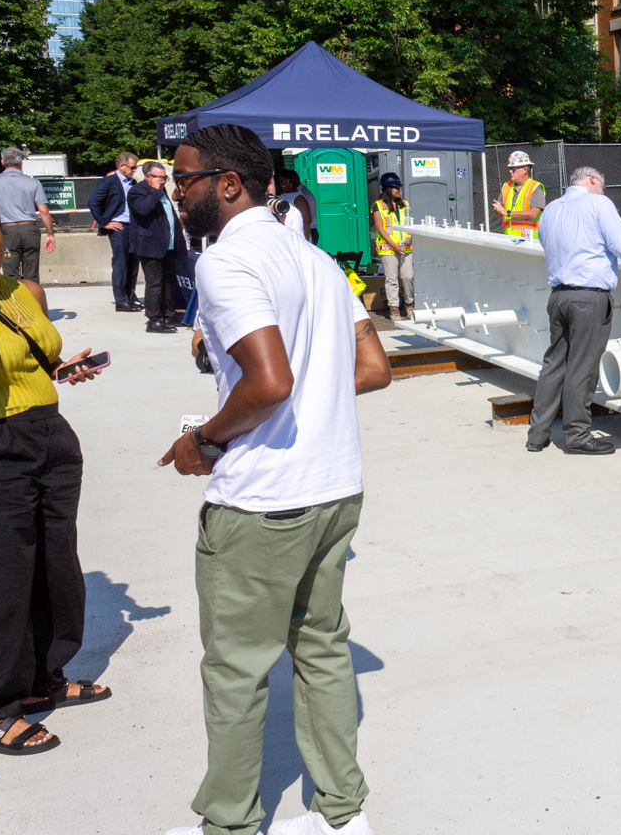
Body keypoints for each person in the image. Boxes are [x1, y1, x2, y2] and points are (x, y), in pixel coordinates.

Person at [158, 123, 391, 835]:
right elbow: (373, 368)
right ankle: (341, 807)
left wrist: (203, 439)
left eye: (185, 178)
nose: (176, 190)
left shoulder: (227, 263)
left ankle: (228, 822)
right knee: (320, 646)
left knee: (237, 669)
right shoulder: (314, 259)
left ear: (228, 183)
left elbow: (267, 382)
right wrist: (312, 395)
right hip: (334, 486)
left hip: (263, 500)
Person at [0, 191, 107, 758]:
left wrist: (63, 368)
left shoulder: (24, 290)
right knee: (3, 575)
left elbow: (33, 359)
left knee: (55, 563)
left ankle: (42, 679)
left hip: (49, 433)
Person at [527, 166, 621, 456]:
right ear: (592, 180)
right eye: (603, 185)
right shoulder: (598, 203)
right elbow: (619, 243)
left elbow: (546, 243)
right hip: (589, 298)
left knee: (554, 364)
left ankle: (537, 435)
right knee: (583, 369)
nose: (604, 190)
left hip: (558, 296)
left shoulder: (550, 210)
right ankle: (577, 435)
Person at [129, 161, 188, 334]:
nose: (163, 181)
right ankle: (153, 320)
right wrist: (155, 191)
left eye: (164, 177)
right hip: (150, 246)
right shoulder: (137, 192)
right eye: (161, 177)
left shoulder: (161, 191)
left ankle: (168, 315)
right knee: (155, 284)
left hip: (167, 245)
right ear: (149, 177)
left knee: (169, 282)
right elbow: (143, 210)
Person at [0, 147, 55, 283]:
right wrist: (50, 234)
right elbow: (44, 211)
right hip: (29, 229)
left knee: (10, 272)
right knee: (32, 272)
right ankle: (34, 301)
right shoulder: (33, 182)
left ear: (2, 162)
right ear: (21, 162)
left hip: (7, 230)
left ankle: (13, 303)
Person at [88, 152, 142, 312]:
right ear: (121, 166)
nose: (134, 170)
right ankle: (121, 300)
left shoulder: (134, 182)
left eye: (135, 168)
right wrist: (106, 223)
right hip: (119, 227)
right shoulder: (109, 182)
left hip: (133, 226)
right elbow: (93, 202)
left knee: (133, 262)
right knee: (120, 263)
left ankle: (131, 296)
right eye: (132, 168)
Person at [370, 172, 412, 321]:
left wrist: (409, 236)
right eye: (396, 187)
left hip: (405, 247)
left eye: (399, 187)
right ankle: (394, 309)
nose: (399, 190)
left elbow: (409, 223)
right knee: (392, 279)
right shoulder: (379, 205)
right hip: (388, 248)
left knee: (408, 277)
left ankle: (410, 305)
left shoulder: (404, 203)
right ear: (388, 189)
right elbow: (380, 228)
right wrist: (393, 245)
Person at [492, 150, 546, 239]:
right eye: (509, 169)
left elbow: (534, 213)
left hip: (529, 242)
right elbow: (498, 214)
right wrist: (497, 209)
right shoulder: (506, 186)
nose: (510, 172)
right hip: (508, 239)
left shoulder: (535, 187)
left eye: (513, 169)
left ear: (525, 170)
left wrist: (507, 212)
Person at [274, 167, 317, 243]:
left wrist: (305, 243)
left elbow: (306, 223)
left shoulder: (299, 198)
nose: (282, 183)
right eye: (279, 181)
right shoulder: (279, 195)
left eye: (284, 181)